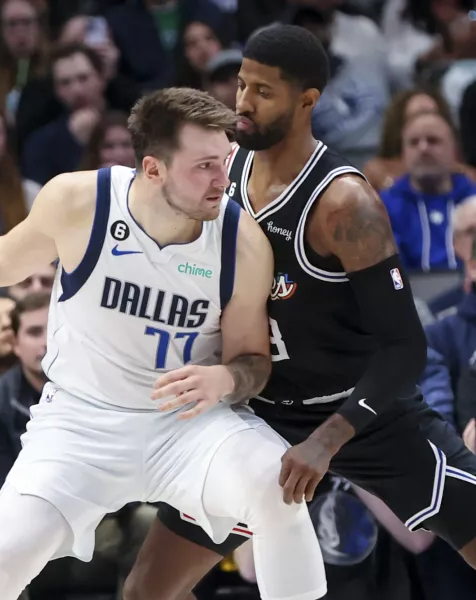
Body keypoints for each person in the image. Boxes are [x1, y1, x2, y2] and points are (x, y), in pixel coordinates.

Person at [0, 87, 327, 600]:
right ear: (153, 169)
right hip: (81, 424)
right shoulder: (81, 201)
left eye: (227, 161)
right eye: (205, 166)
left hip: (185, 427)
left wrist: (227, 377)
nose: (223, 180)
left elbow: (252, 361)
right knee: (1, 559)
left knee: (277, 488)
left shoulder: (241, 240)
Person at [122, 24, 476, 600]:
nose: (242, 102)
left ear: (307, 101)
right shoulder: (223, 174)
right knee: (146, 590)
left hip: (364, 416)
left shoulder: (344, 204)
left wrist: (327, 440)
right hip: (257, 411)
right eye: (240, 85)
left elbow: (405, 348)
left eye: (263, 91)